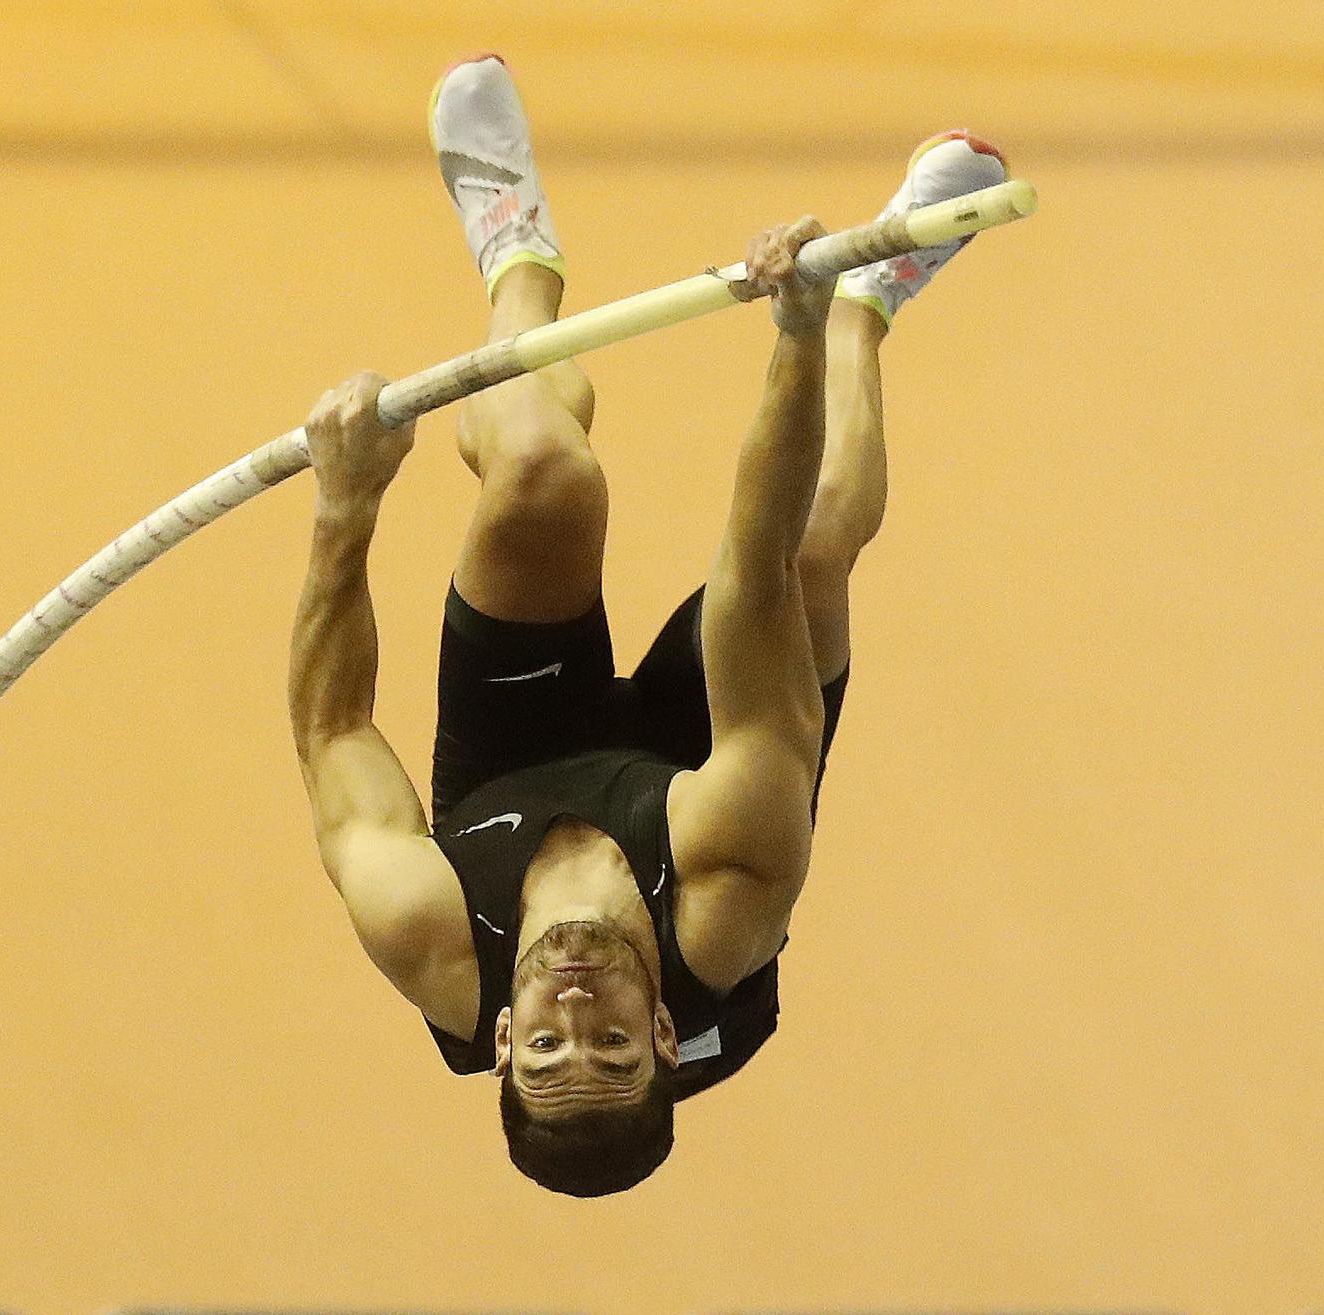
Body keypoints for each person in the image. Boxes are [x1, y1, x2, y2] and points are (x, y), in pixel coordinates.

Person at [286, 54, 1008, 1196]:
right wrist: (797, 330)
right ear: (665, 1036)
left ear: (498, 1044)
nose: (571, 1012)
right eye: (611, 1044)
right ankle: (874, 304)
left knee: (536, 471)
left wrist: (346, 503)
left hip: (517, 756)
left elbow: (332, 734)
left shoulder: (429, 934)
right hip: (694, 765)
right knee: (814, 541)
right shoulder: (732, 893)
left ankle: (513, 252)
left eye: (540, 1046)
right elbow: (753, 569)